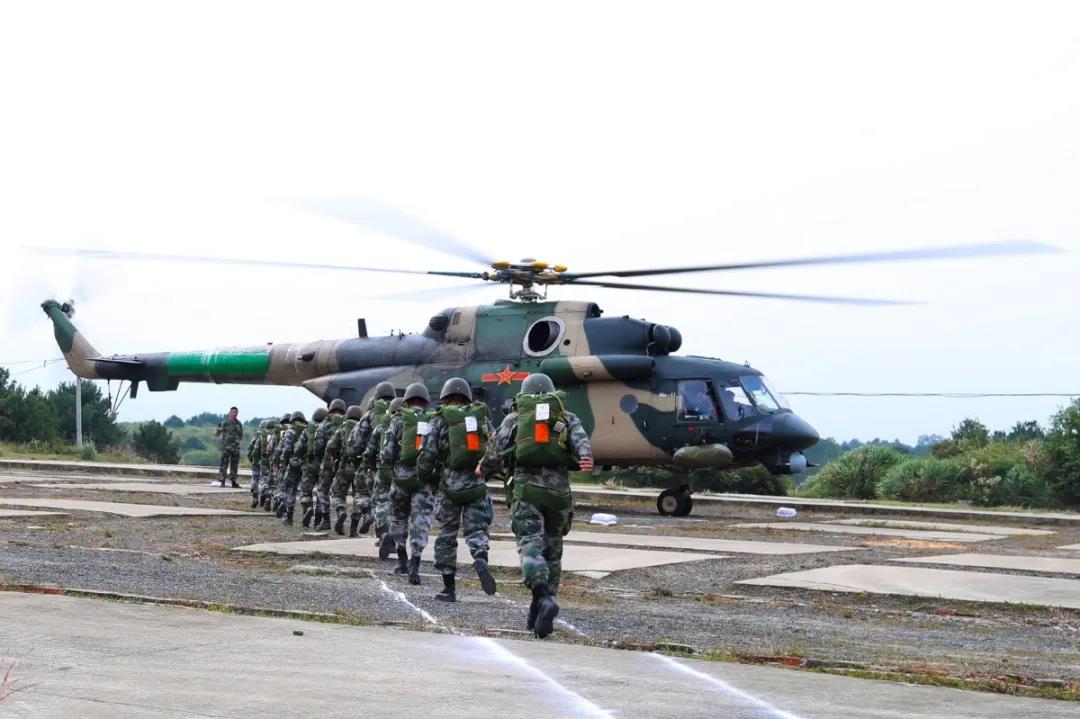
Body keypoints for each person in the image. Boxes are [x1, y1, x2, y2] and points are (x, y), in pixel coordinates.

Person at [477, 373, 593, 638]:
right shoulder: (565, 416)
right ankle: (538, 609)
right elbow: (580, 439)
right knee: (553, 551)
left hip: (527, 491)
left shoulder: (517, 416)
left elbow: (496, 449)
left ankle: (543, 597)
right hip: (559, 495)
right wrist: (586, 456)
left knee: (530, 544)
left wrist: (482, 467)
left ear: (525, 391)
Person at [418, 377, 496, 602]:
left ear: (445, 397)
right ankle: (480, 558)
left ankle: (449, 588)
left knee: (447, 534)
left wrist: (425, 478)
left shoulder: (439, 419)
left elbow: (427, 454)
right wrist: (486, 470)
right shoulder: (480, 417)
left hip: (449, 487)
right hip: (476, 485)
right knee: (477, 530)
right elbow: (494, 446)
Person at [379, 382, 435, 585]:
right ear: (425, 401)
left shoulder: (397, 419)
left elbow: (386, 452)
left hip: (401, 479)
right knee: (421, 521)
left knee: (398, 517)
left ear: (407, 400)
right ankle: (415, 565)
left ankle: (401, 561)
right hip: (423, 480)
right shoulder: (433, 420)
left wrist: (389, 470)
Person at [364, 395, 404, 558]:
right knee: (399, 507)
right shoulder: (410, 424)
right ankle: (396, 540)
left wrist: (373, 468)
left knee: (381, 503)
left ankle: (384, 534)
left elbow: (369, 451)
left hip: (384, 471)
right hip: (404, 473)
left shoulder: (382, 426)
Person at [322, 404, 363, 533]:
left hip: (344, 466)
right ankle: (354, 529)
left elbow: (330, 446)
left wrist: (329, 466)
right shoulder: (365, 428)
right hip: (360, 468)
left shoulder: (342, 428)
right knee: (359, 497)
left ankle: (341, 511)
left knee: (338, 493)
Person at [312, 399, 347, 530]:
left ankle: (325, 520)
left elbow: (318, 447)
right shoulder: (347, 424)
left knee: (322, 490)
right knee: (339, 492)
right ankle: (340, 511)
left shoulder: (323, 425)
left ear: (330, 410)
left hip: (327, 463)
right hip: (343, 464)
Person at [299, 405, 332, 528]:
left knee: (306, 491)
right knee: (321, 492)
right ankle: (319, 520)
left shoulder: (308, 429)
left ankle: (307, 510)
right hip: (324, 465)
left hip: (310, 464)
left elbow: (299, 447)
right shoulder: (328, 428)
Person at [275, 411, 309, 525]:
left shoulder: (289, 432)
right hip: (304, 464)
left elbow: (287, 449)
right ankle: (306, 512)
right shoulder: (307, 430)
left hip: (292, 464)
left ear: (292, 421)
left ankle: (289, 516)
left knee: (290, 489)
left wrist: (284, 462)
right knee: (303, 490)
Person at [213, 407, 243, 488]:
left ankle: (233, 482)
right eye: (233, 412)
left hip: (235, 448)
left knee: (234, 465)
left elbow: (241, 435)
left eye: (236, 412)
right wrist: (217, 430)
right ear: (230, 413)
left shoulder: (239, 424)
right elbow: (217, 434)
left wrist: (237, 443)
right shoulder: (225, 423)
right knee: (224, 464)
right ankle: (222, 481)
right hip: (226, 447)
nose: (235, 413)